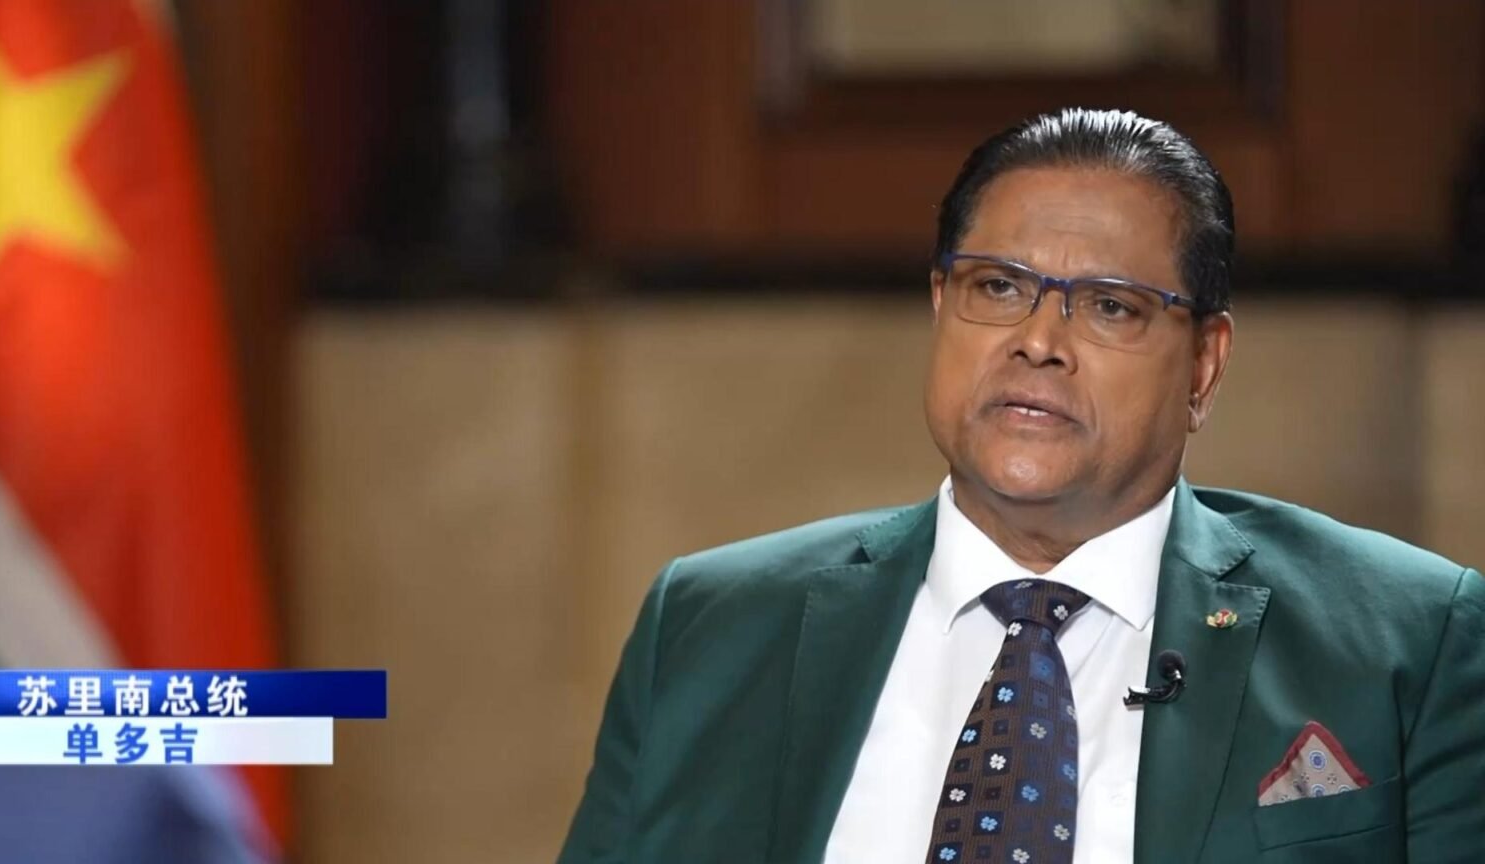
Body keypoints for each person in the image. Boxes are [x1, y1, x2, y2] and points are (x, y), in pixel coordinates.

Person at [556, 108, 1485, 864]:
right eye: (998, 288)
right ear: (940, 305)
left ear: (1204, 365)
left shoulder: (1408, 640)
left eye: (1110, 305)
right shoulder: (709, 626)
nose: (1037, 341)